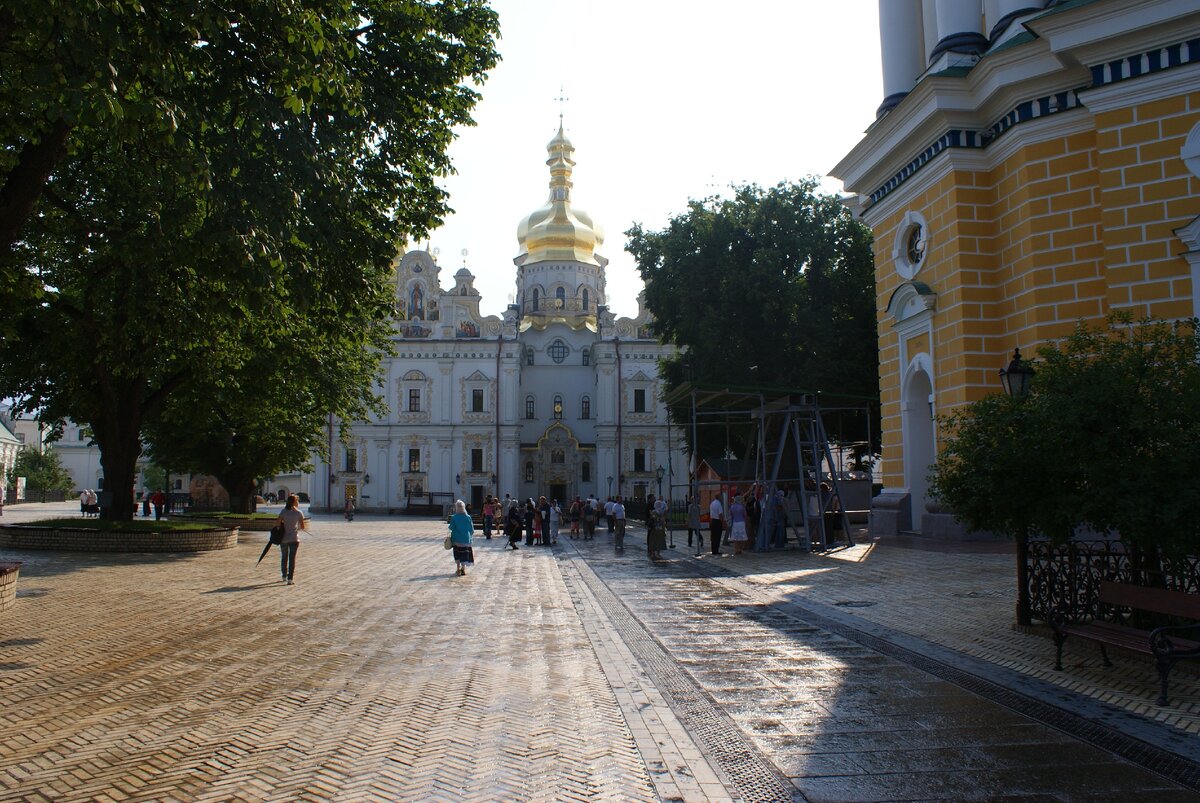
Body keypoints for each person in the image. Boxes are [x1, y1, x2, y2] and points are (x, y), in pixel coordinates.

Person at [275, 494, 307, 585]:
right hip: (294, 539)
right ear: (294, 502)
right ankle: (290, 579)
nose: (298, 502)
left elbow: (277, 523)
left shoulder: (283, 512)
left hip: (284, 539)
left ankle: (284, 576)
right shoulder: (299, 513)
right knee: (292, 559)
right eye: (297, 500)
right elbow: (302, 527)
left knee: (284, 557)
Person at [448, 499, 475, 576]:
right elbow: (472, 529)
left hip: (456, 539)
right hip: (466, 539)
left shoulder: (454, 517)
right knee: (464, 554)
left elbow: (451, 528)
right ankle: (463, 568)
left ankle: (458, 568)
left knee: (457, 553)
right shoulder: (468, 517)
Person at [645, 494, 666, 560]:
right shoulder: (653, 511)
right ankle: (653, 552)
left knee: (658, 541)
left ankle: (657, 553)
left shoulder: (661, 512)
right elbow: (653, 518)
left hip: (658, 528)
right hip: (655, 528)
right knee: (654, 540)